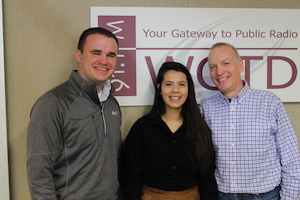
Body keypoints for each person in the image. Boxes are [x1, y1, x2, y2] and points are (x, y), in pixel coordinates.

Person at [27, 27, 123, 199]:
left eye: (111, 55)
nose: (104, 61)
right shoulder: (52, 104)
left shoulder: (112, 104)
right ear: (79, 55)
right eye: (96, 53)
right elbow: (39, 174)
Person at [200, 42, 300, 200]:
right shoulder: (207, 108)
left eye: (226, 63)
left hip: (265, 196)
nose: (219, 71)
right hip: (221, 196)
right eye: (213, 67)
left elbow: (291, 159)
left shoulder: (269, 103)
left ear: (240, 65)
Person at [121, 61, 218, 200]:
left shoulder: (199, 128)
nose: (175, 90)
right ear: (159, 88)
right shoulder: (142, 128)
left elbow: (207, 179)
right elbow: (130, 178)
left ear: (188, 89)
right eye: (169, 84)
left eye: (182, 84)